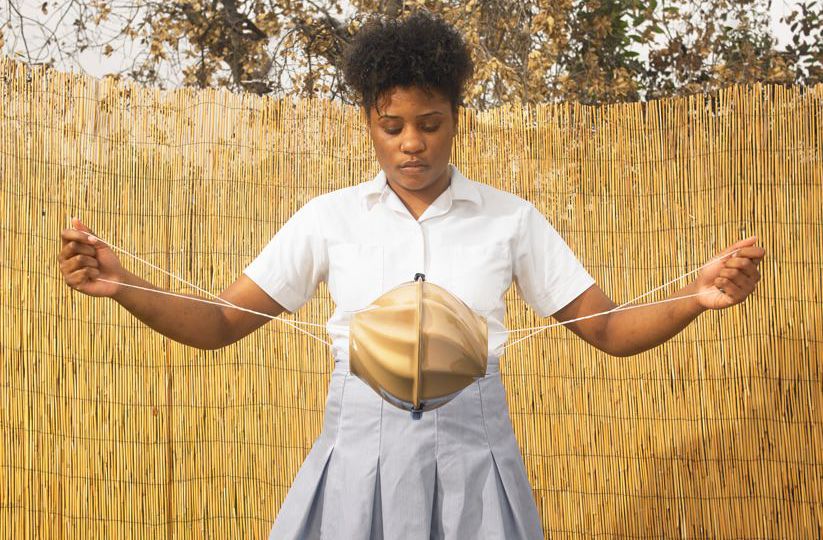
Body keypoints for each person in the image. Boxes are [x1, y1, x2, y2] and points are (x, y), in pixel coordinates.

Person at [58, 11, 765, 540]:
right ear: (368, 121)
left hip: (475, 455)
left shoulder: (509, 219)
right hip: (358, 456)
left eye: (429, 123)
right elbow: (217, 325)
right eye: (391, 125)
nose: (410, 143)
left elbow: (607, 329)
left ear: (455, 119)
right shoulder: (328, 218)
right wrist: (125, 287)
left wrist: (695, 299)